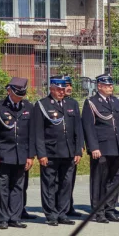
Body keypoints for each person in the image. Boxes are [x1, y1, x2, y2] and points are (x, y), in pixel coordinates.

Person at [33, 77, 82, 226]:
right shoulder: (42, 105)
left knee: (66, 183)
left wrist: (78, 150)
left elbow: (78, 129)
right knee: (49, 184)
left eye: (63, 89)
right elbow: (38, 132)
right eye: (59, 89)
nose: (62, 92)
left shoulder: (72, 104)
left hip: (68, 151)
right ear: (51, 89)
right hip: (51, 151)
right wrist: (41, 154)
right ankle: (51, 214)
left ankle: (62, 213)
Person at [0, 77, 35, 230]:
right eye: (17, 94)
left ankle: (15, 217)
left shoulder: (28, 106)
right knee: (2, 187)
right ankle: (2, 218)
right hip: (3, 154)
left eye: (22, 95)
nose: (20, 98)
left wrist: (30, 156)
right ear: (9, 91)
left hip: (21, 154)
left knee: (18, 187)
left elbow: (31, 134)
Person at [81, 74, 119, 223]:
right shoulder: (91, 102)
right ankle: (98, 211)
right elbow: (88, 127)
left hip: (116, 146)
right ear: (99, 86)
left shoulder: (116, 102)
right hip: (101, 148)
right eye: (107, 85)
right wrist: (93, 147)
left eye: (111, 85)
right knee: (99, 181)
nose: (110, 87)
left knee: (114, 180)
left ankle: (110, 209)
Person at [62, 75, 82, 218]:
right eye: (66, 85)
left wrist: (79, 147)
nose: (69, 88)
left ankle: (69, 206)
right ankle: (58, 208)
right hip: (56, 149)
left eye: (70, 85)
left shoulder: (73, 103)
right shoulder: (46, 104)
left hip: (71, 148)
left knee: (70, 180)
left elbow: (78, 127)